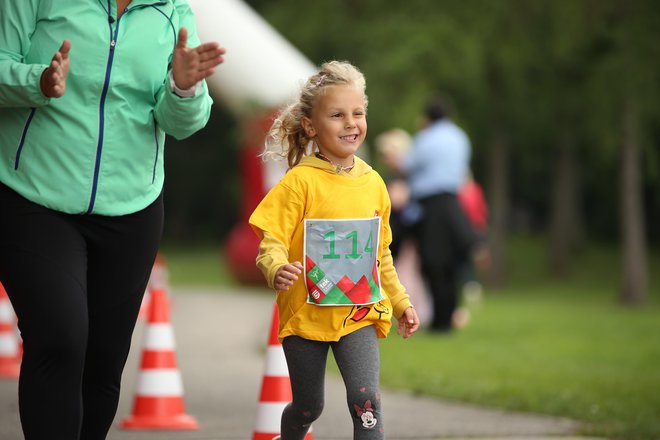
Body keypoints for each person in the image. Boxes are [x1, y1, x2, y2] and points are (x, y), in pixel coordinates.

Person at [0, 2, 225, 439]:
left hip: (132, 207)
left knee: (103, 360)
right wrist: (38, 81)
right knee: (60, 340)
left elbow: (182, 123)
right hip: (33, 195)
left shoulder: (173, 10)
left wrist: (182, 89)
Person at [249, 61, 420, 440]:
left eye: (358, 113)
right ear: (311, 125)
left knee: (366, 403)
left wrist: (401, 301)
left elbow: (382, 254)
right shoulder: (299, 183)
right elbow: (271, 239)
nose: (350, 123)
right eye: (337, 115)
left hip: (359, 312)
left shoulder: (375, 183)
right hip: (306, 315)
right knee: (310, 406)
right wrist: (276, 267)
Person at [382, 93, 482, 333]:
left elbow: (408, 165)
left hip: (430, 206)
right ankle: (448, 316)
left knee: (433, 262)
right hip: (453, 202)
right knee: (450, 264)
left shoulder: (426, 138)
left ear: (428, 116)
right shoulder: (460, 137)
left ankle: (439, 321)